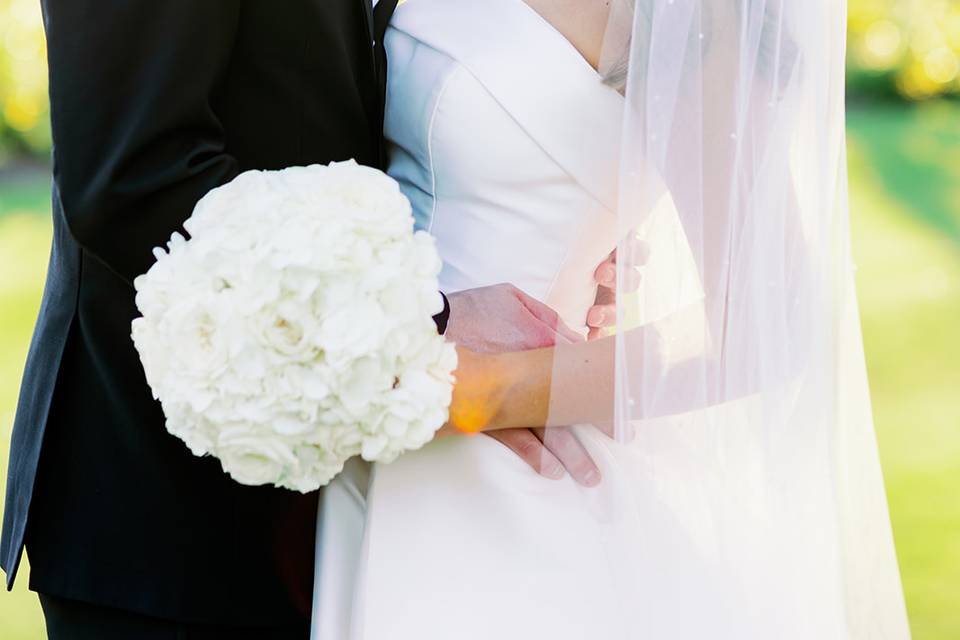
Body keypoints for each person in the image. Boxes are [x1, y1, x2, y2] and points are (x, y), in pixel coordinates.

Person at [0, 2, 624, 638]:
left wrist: (567, 211)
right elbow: (131, 178)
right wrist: (428, 322)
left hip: (362, 515)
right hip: (175, 521)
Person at [312, 0, 911, 638]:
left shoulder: (693, 14)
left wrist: (477, 392)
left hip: (507, 474)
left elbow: (769, 322)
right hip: (367, 446)